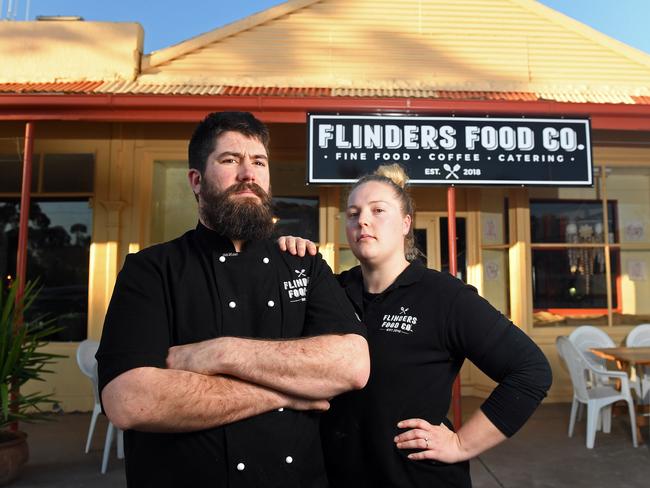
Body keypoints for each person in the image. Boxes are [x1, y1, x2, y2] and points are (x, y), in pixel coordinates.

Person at [96, 111, 370, 487]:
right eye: (230, 160)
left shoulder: (303, 264)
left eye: (259, 162)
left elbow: (352, 365)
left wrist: (220, 353)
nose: (248, 174)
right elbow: (129, 400)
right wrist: (289, 392)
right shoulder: (151, 270)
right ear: (196, 180)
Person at [280, 164, 552, 487]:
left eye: (378, 210)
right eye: (353, 213)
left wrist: (460, 444)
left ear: (406, 223)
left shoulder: (444, 297)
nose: (362, 220)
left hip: (417, 478)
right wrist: (284, 259)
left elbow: (531, 371)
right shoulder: (331, 292)